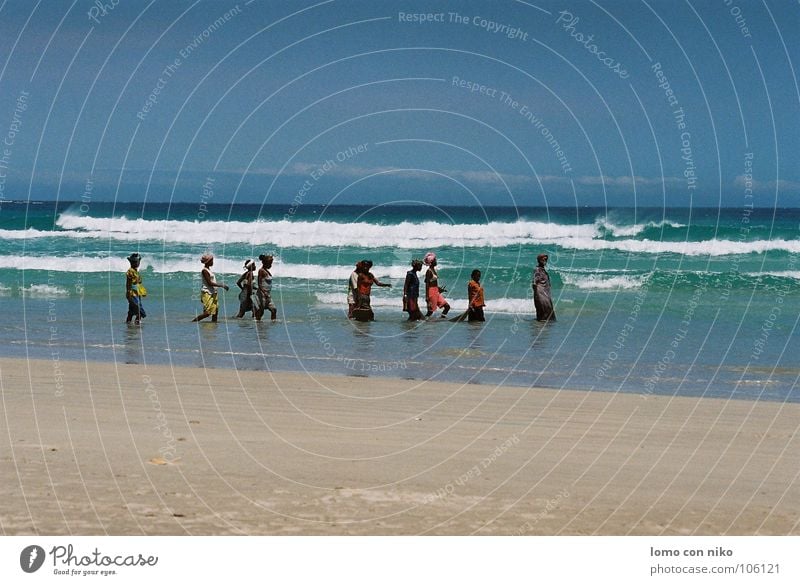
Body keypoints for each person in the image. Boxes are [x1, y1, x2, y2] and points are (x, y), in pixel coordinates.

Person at [192, 253, 229, 322]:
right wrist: (221, 285)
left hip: (213, 292)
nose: (213, 262)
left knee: (215, 312)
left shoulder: (208, 270)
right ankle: (194, 321)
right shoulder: (204, 271)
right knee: (207, 313)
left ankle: (213, 326)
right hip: (207, 293)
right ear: (208, 262)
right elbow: (209, 283)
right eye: (211, 261)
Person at [423, 251, 450, 318]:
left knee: (447, 307)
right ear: (431, 262)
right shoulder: (429, 271)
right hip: (431, 292)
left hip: (436, 291)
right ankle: (422, 320)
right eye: (435, 260)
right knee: (430, 311)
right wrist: (427, 297)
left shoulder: (434, 270)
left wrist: (439, 289)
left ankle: (442, 318)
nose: (436, 261)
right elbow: (427, 284)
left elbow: (433, 283)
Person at [532, 253, 556, 322]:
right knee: (544, 308)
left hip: (546, 292)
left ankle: (542, 321)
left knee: (548, 309)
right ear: (539, 260)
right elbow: (534, 282)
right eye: (544, 259)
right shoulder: (537, 269)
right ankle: (541, 323)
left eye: (546, 259)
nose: (545, 261)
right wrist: (537, 293)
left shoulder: (543, 270)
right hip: (540, 292)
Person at [125, 253, 147, 324]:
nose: (137, 263)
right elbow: (128, 283)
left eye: (137, 262)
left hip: (137, 293)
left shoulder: (135, 271)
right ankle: (137, 321)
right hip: (132, 293)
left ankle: (129, 322)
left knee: (132, 308)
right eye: (135, 262)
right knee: (138, 307)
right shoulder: (130, 271)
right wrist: (128, 292)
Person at [256, 254, 277, 321]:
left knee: (273, 309)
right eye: (270, 264)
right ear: (265, 263)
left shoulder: (267, 271)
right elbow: (259, 284)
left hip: (267, 294)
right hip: (262, 294)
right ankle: (257, 324)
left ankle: (273, 322)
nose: (271, 265)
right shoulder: (261, 271)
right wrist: (264, 293)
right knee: (261, 311)